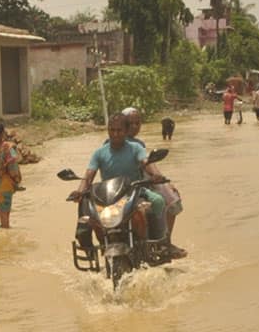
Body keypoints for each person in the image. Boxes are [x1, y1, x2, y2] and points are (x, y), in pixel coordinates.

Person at [72, 113, 168, 252]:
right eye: (112, 130)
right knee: (88, 215)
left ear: (126, 131)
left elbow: (146, 162)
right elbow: (88, 176)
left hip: (134, 191)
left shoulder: (136, 148)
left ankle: (161, 244)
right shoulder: (99, 153)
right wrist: (79, 191)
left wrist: (156, 174)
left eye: (119, 130)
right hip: (108, 196)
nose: (115, 134)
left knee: (158, 200)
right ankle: (88, 246)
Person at [121, 108, 186, 258]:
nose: (135, 126)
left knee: (169, 199)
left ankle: (163, 240)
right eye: (130, 123)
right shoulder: (127, 144)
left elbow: (149, 163)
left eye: (138, 123)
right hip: (133, 184)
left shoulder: (135, 143)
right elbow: (148, 165)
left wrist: (161, 177)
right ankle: (165, 243)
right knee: (173, 200)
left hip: (141, 181)